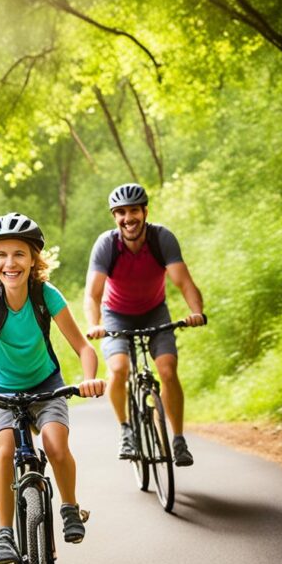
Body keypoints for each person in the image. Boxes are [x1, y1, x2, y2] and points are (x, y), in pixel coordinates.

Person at [0, 212, 105, 564]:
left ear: (34, 260)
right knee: (4, 452)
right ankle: (4, 532)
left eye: (19, 254)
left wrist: (90, 377)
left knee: (55, 444)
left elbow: (83, 347)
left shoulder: (45, 294)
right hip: (0, 388)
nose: (10, 262)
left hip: (46, 385)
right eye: (1, 255)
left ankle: (68, 507)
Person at [84, 183, 206, 467]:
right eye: (121, 213)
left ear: (145, 211)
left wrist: (196, 311)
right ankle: (126, 430)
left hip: (155, 313)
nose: (129, 218)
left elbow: (183, 281)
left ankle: (177, 439)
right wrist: (94, 324)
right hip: (115, 315)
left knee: (167, 369)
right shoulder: (107, 245)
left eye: (134, 211)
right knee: (118, 368)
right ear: (115, 217)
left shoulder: (161, 238)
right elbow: (93, 293)